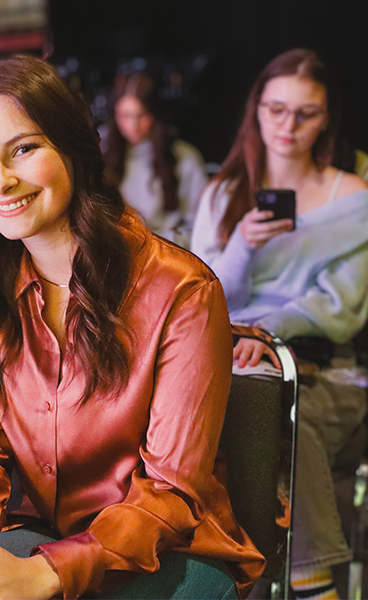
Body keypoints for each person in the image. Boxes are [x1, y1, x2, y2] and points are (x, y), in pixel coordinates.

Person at [0, 55, 264, 600]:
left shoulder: (181, 290)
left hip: (169, 550)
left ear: (73, 148)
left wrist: (42, 575)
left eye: (23, 149)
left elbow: (170, 493)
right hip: (45, 533)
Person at [191, 48, 368, 600]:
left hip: (318, 363)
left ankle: (309, 581)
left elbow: (339, 305)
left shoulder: (353, 197)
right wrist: (242, 247)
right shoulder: (223, 194)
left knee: (279, 410)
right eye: (276, 109)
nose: (287, 126)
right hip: (230, 352)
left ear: (327, 119)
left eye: (305, 113)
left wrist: (267, 334)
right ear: (256, 110)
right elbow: (203, 295)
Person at [102, 71, 208, 247]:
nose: (133, 125)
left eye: (142, 115)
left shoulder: (184, 157)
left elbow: (200, 228)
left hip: (166, 252)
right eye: (125, 115)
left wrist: (150, 242)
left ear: (155, 114)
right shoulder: (102, 152)